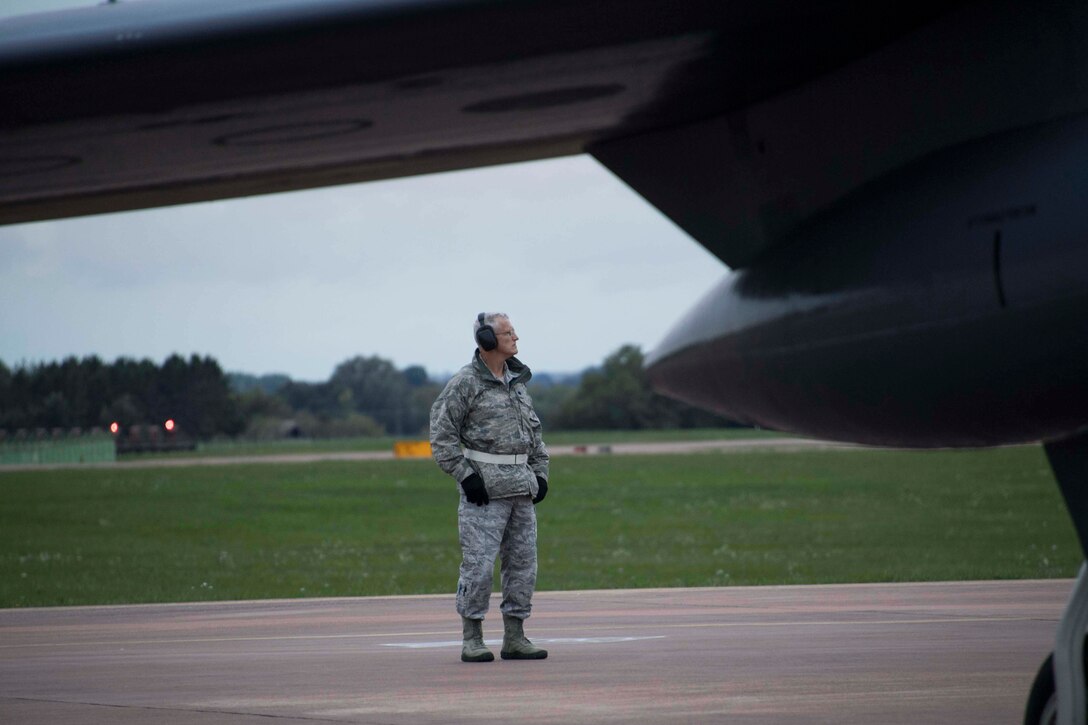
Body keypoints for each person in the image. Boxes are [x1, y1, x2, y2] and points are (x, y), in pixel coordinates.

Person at [429, 312, 550, 662]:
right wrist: (465, 476)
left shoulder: (517, 382)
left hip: (521, 490)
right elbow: (442, 435)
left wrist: (541, 474)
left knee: (523, 566)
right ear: (486, 340)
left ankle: (515, 636)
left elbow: (534, 436)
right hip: (484, 493)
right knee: (479, 567)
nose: (516, 338)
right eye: (508, 333)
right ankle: (472, 638)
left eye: (513, 331)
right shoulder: (465, 383)